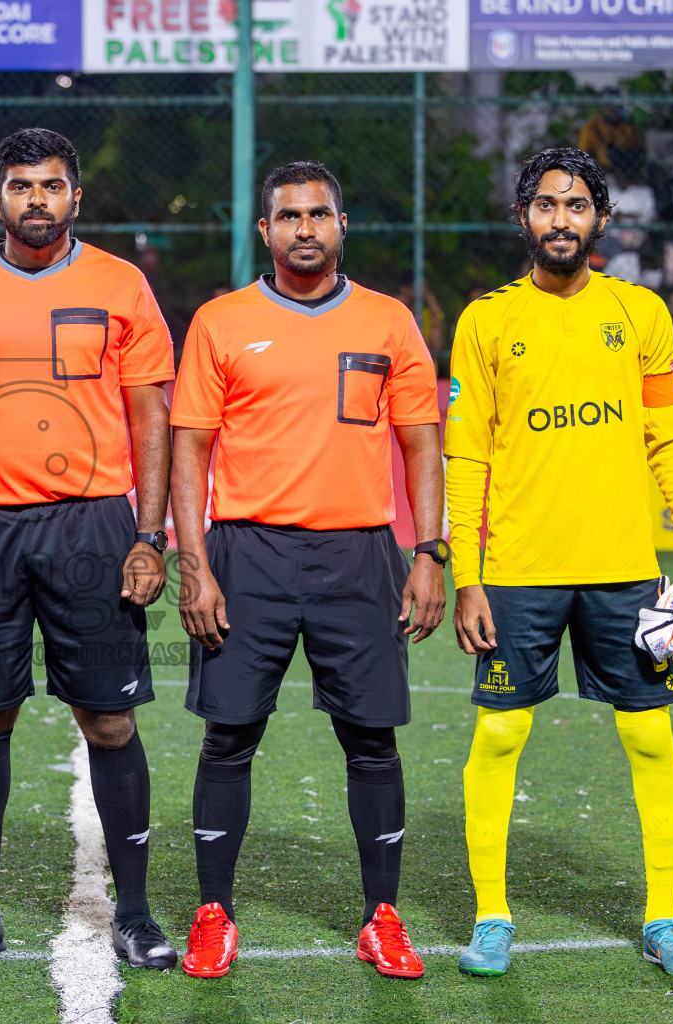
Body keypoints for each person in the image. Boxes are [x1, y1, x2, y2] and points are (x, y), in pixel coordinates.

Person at [0, 128, 178, 971]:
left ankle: (132, 912)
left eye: (51, 186)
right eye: (21, 186)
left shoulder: (122, 285)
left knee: (111, 717)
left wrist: (150, 535)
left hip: (94, 523)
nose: (36, 200)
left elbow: (151, 417)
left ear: (76, 198)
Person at [446, 147, 673, 981]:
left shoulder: (640, 313)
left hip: (624, 571)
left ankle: (663, 917)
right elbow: (467, 459)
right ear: (522, 217)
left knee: (650, 740)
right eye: (545, 204)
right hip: (520, 572)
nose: (560, 219)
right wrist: (468, 574)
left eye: (575, 205)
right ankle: (493, 916)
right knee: (499, 733)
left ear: (600, 218)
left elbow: (665, 433)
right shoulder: (486, 320)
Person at [171, 161, 445, 981]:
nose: (304, 228)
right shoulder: (221, 322)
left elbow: (422, 443)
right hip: (245, 551)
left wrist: (428, 553)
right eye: (288, 215)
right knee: (229, 738)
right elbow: (189, 449)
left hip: (359, 553)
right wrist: (195, 565)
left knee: (371, 742)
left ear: (342, 223)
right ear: (265, 231)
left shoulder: (389, 322)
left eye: (318, 213)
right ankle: (214, 913)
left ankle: (381, 917)